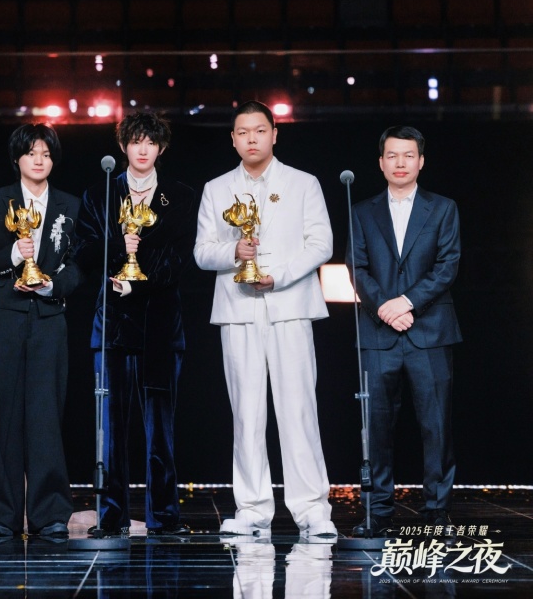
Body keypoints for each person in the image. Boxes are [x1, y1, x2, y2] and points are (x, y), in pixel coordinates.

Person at [193, 100, 336, 537]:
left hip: (290, 305)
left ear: (275, 134)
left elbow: (322, 243)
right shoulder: (216, 188)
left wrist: (281, 276)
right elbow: (202, 252)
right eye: (243, 132)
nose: (251, 138)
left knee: (298, 410)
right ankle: (253, 508)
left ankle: (312, 510)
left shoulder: (303, 183)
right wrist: (233, 251)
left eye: (259, 130)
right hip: (238, 309)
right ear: (233, 139)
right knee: (247, 413)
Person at [74, 110, 197, 536]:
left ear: (161, 148)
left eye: (151, 142)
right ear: (123, 146)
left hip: (160, 323)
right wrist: (116, 245)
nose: (143, 149)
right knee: (110, 429)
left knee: (160, 431)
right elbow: (84, 251)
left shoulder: (179, 196)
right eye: (136, 141)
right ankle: (111, 517)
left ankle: (164, 516)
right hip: (112, 323)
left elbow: (178, 259)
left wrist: (136, 284)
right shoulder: (100, 193)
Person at [346, 126, 461, 536]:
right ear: (381, 162)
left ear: (421, 161)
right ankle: (377, 512)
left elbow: (447, 265)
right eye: (392, 155)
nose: (400, 163)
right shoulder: (361, 211)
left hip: (430, 332)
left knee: (436, 425)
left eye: (408, 155)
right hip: (378, 334)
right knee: (377, 427)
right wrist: (385, 308)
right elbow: (356, 267)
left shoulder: (443, 208)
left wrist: (406, 302)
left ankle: (437, 512)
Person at [0, 124, 83, 539]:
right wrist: (14, 254)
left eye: (46, 154)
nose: (39, 160)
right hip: (5, 319)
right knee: (4, 415)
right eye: (31, 153)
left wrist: (53, 285)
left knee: (45, 416)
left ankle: (50, 513)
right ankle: (1, 513)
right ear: (17, 158)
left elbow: (79, 265)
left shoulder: (70, 205)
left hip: (50, 320)